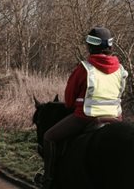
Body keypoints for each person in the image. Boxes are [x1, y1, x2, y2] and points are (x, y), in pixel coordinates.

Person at [36, 26, 128, 189]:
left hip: (86, 117)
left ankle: (48, 179)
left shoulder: (84, 68)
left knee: (49, 137)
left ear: (90, 46)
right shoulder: (121, 70)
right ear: (110, 47)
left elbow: (70, 102)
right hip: (116, 119)